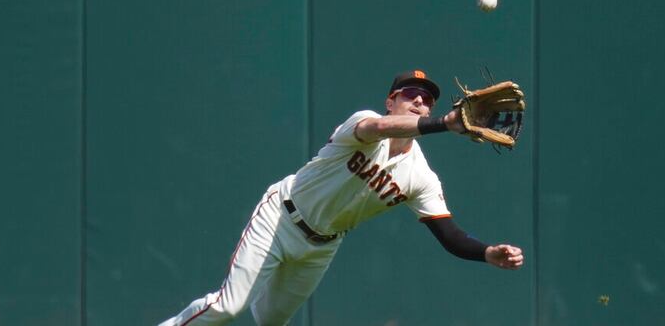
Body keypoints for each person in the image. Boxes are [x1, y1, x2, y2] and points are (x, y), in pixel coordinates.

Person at [159, 70, 524, 326]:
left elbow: (450, 235)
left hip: (320, 248)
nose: (418, 100)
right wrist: (444, 124)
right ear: (390, 100)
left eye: (426, 99)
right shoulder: (364, 122)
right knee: (229, 307)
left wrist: (487, 253)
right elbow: (379, 128)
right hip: (281, 218)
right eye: (409, 94)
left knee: (271, 322)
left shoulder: (420, 177)